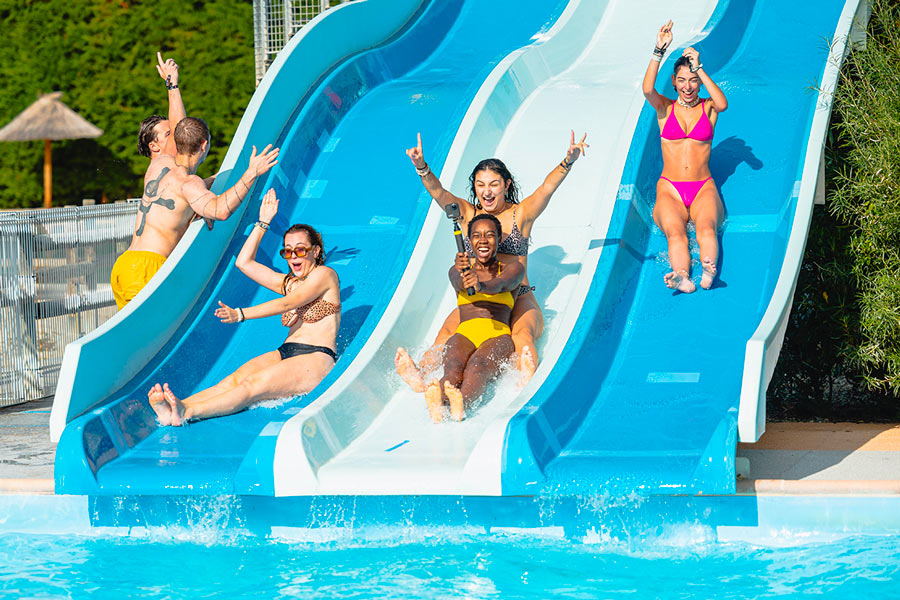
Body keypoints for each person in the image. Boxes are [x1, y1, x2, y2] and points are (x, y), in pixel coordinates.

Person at [395, 130, 587, 389]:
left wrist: (568, 161)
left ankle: (525, 384)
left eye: (493, 184)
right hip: (480, 299)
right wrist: (421, 166)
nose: (486, 191)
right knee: (445, 334)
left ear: (506, 185)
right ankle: (420, 376)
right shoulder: (467, 214)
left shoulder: (521, 214)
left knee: (522, 334)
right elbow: (439, 193)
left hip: (518, 296)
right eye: (480, 184)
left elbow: (546, 188)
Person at [148, 189, 341, 426]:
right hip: (286, 351)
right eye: (287, 251)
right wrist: (263, 222)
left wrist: (241, 314)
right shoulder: (289, 283)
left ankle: (186, 413)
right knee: (232, 381)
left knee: (252, 386)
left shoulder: (325, 275)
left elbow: (288, 303)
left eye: (300, 249)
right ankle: (178, 405)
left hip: (315, 357)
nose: (293, 256)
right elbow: (244, 262)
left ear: (316, 251)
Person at [110, 116, 279, 309]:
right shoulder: (190, 184)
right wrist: (251, 173)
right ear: (204, 145)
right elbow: (220, 210)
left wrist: (220, 180)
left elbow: (182, 195)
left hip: (125, 265)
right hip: (147, 269)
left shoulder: (160, 164)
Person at [402, 214, 524, 422]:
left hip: (498, 334)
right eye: (476, 235)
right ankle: (439, 402)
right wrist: (464, 274)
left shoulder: (513, 268)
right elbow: (458, 281)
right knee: (452, 367)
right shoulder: (458, 271)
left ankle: (461, 403)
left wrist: (482, 285)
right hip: (465, 333)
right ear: (469, 242)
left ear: (498, 239)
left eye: (489, 235)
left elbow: (503, 284)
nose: (483, 240)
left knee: (478, 365)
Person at [642, 20, 728, 293]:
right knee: (676, 234)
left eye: (692, 81)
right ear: (674, 82)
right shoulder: (665, 108)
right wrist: (658, 50)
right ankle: (681, 275)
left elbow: (723, 103)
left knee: (705, 230)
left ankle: (708, 269)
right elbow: (647, 90)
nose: (688, 86)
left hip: (703, 186)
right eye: (682, 80)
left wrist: (699, 67)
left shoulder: (709, 108)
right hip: (670, 188)